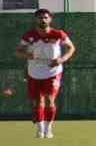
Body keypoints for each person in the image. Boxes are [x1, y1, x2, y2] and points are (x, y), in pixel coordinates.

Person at [15, 9, 76, 138]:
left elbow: (71, 48)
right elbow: (18, 51)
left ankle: (48, 129)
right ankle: (40, 130)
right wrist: (28, 55)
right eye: (40, 18)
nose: (42, 20)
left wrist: (61, 59)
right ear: (35, 20)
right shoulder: (28, 36)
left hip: (52, 72)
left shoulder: (58, 34)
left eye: (45, 17)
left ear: (50, 19)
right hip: (34, 73)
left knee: (49, 100)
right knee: (37, 103)